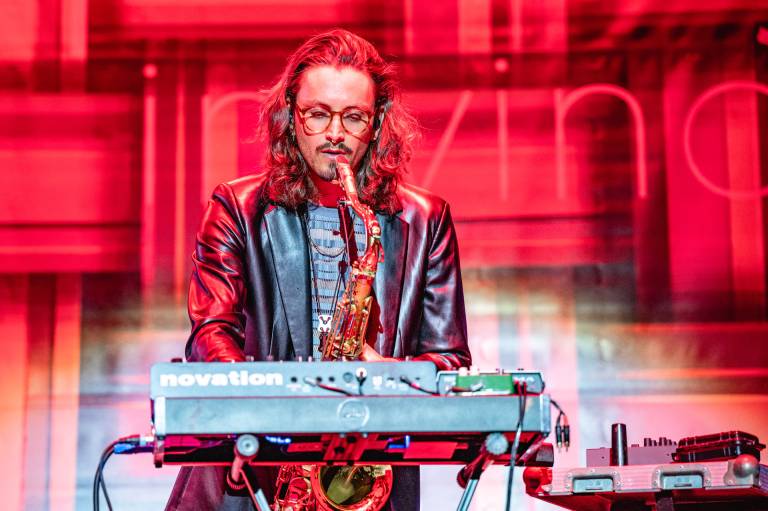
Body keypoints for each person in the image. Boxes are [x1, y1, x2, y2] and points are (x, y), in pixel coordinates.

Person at [165, 28, 471, 511]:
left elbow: (449, 359)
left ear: (377, 123)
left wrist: (389, 374)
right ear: (291, 116)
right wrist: (253, 413)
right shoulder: (236, 207)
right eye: (318, 114)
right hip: (249, 477)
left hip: (367, 477)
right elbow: (212, 332)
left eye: (354, 117)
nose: (335, 133)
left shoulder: (426, 219)